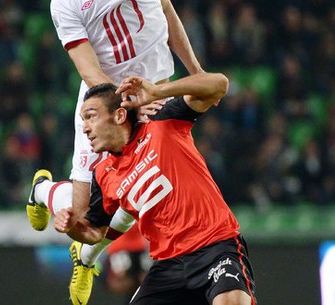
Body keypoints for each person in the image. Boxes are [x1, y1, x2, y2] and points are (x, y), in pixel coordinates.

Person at [21, 0, 204, 304]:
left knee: (145, 191)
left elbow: (167, 13)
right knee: (83, 216)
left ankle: (86, 258)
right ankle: (42, 191)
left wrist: (194, 73)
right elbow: (88, 69)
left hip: (155, 94)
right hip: (105, 104)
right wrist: (124, 108)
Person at [50, 73, 257, 305]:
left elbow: (219, 85)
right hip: (168, 265)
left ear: (119, 115)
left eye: (91, 116)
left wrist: (158, 92)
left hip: (214, 246)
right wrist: (71, 227)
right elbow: (93, 232)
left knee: (231, 301)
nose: (85, 128)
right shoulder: (103, 174)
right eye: (83, 120)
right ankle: (41, 190)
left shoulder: (161, 121)